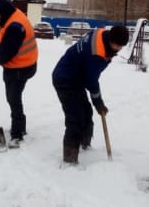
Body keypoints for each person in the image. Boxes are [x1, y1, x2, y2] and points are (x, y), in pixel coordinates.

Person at [52, 25, 129, 164]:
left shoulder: (102, 35)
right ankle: (69, 160)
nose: (119, 49)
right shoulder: (97, 54)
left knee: (86, 112)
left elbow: (89, 78)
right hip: (65, 79)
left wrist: (97, 103)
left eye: (121, 46)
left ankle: (85, 146)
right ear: (111, 39)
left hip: (76, 78)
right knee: (75, 118)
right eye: (117, 45)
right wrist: (99, 103)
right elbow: (91, 82)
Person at [0, 0, 38, 148]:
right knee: (12, 97)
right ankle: (20, 126)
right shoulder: (12, 15)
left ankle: (17, 134)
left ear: (2, 12)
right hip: (15, 66)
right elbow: (5, 28)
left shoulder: (16, 26)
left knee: (13, 98)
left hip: (22, 67)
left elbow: (7, 50)